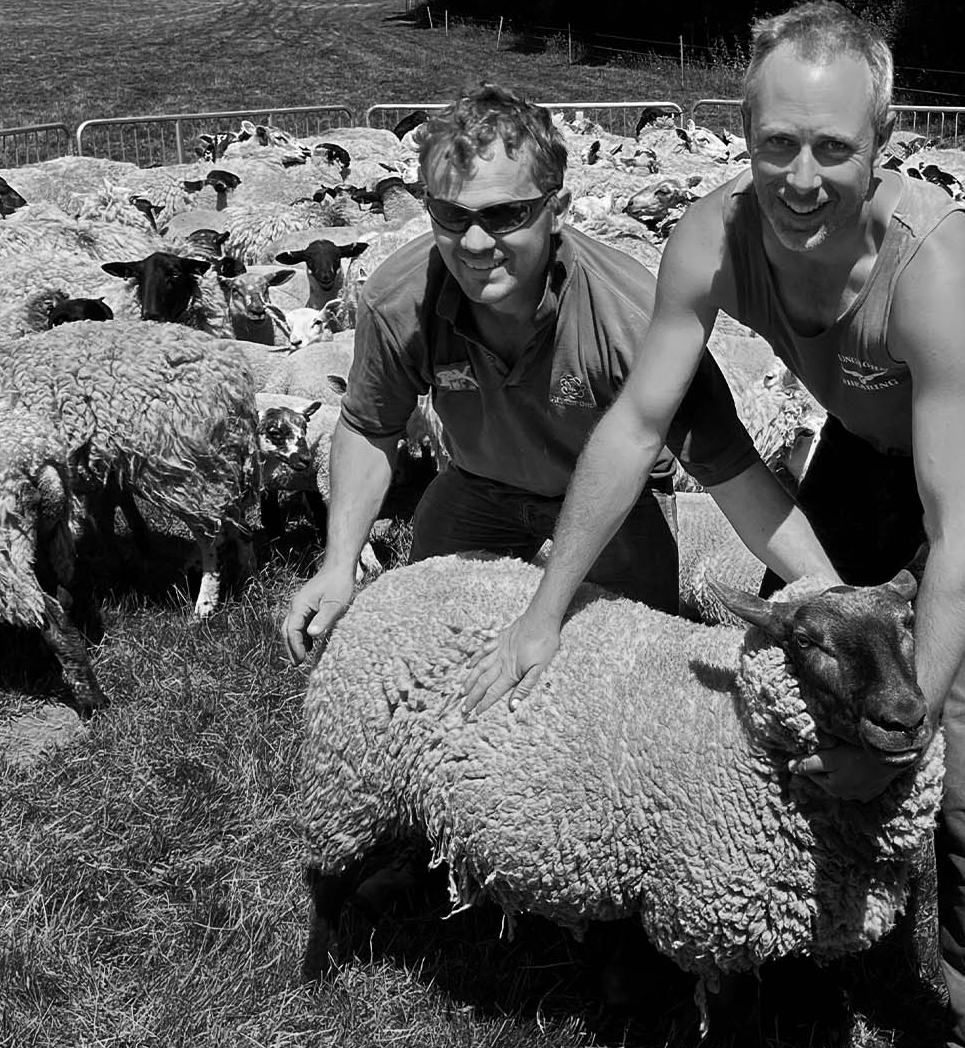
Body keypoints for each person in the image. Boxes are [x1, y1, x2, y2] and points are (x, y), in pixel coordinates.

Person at [462, 3, 965, 1048]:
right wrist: (545, 611)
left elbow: (958, 530)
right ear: (742, 136)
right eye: (777, 143)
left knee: (962, 753)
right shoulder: (711, 236)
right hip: (862, 438)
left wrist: (908, 729)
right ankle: (803, 923)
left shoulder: (935, 265)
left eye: (833, 147)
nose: (801, 177)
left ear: (882, 144)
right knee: (793, 672)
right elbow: (638, 423)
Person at [280, 83, 766, 664]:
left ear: (556, 210)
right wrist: (338, 565)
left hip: (610, 502)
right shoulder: (398, 300)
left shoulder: (630, 316)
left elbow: (730, 466)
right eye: (450, 214)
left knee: (626, 668)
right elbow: (370, 426)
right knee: (426, 641)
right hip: (479, 485)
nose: (474, 242)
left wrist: (823, 586)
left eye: (506, 214)